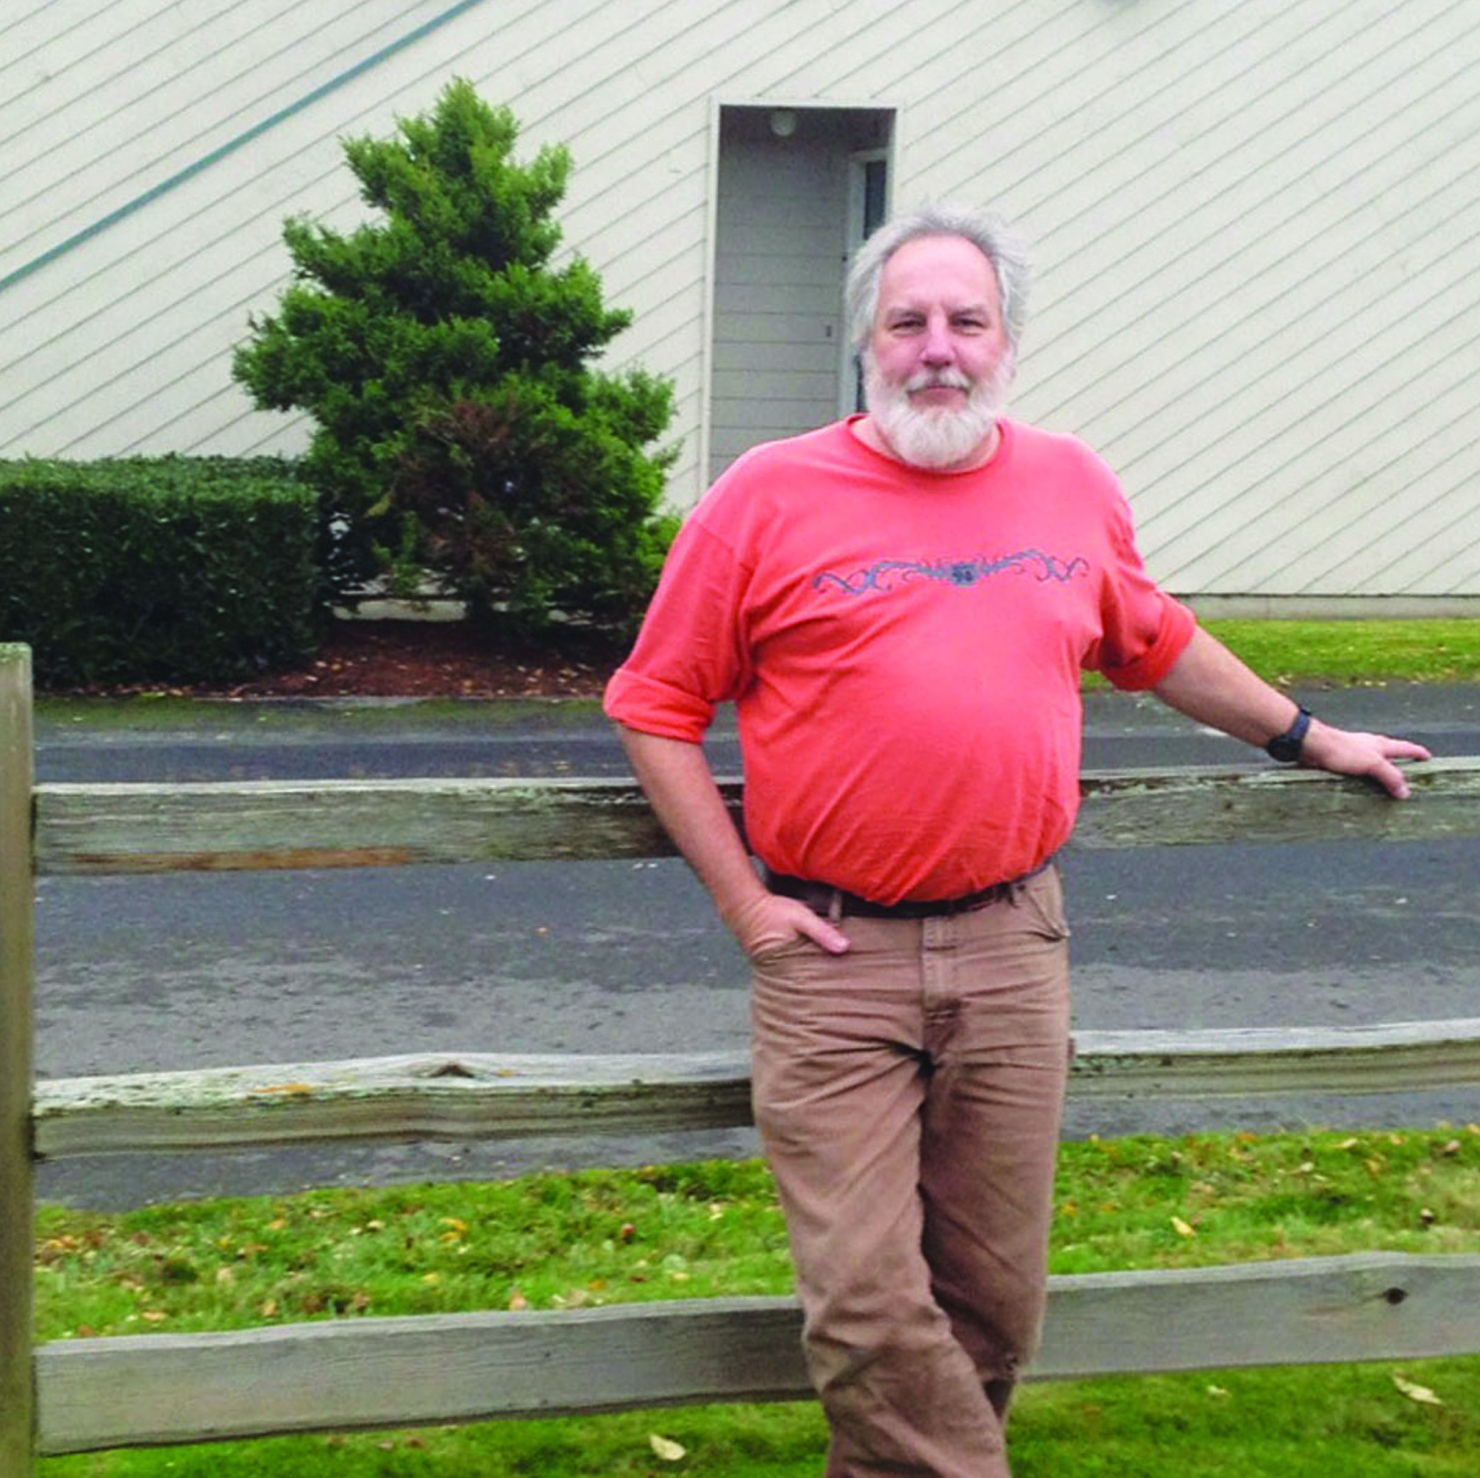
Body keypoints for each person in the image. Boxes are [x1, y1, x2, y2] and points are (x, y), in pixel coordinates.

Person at [603, 206, 1429, 1477]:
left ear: (1006, 340)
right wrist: (744, 907)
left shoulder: (1069, 481)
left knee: (993, 1304)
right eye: (909, 321)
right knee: (868, 1303)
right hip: (831, 955)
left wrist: (1306, 733)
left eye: (966, 321)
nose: (939, 348)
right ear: (865, 342)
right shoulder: (765, 495)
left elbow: (1152, 641)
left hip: (1012, 941)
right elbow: (654, 705)